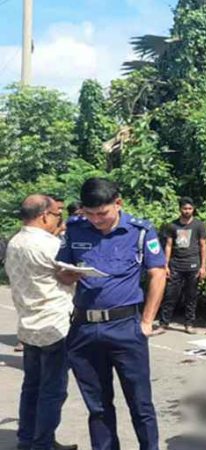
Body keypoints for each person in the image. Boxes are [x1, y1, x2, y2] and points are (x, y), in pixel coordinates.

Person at [56, 178, 167, 450]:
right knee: (98, 407)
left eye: (102, 213)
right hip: (83, 329)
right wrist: (65, 274)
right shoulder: (75, 229)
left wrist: (146, 321)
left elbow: (158, 273)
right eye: (89, 214)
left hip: (125, 327)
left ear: (118, 203)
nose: (96, 220)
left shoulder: (140, 231)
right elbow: (62, 270)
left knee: (140, 404)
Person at [4, 194, 78, 450]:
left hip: (28, 327)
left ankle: (27, 440)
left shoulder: (15, 242)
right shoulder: (49, 244)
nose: (60, 220)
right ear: (45, 215)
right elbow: (69, 276)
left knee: (32, 386)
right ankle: (42, 443)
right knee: (53, 390)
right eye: (57, 215)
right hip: (54, 326)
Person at [155, 197, 206, 335]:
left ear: (193, 209)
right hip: (175, 265)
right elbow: (168, 245)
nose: (187, 211)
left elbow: (203, 246)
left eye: (190, 208)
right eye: (185, 208)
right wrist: (165, 265)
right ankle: (163, 324)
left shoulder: (199, 225)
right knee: (170, 296)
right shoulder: (172, 226)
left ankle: (189, 324)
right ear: (180, 209)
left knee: (191, 297)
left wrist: (203, 267)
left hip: (193, 265)